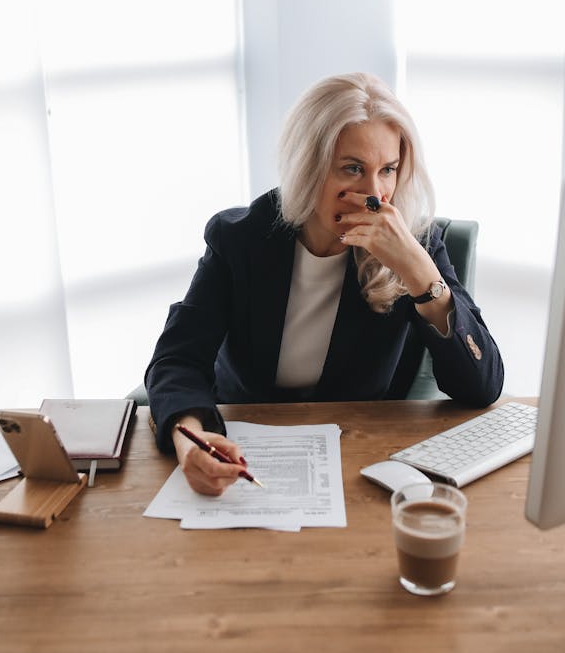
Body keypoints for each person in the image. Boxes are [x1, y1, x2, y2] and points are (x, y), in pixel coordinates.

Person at [145, 72, 504, 495]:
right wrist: (190, 439)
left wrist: (422, 276)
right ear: (307, 167)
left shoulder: (417, 244)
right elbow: (178, 359)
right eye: (352, 169)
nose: (375, 195)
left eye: (387, 170)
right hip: (248, 441)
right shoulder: (238, 238)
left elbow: (482, 388)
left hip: (361, 454)